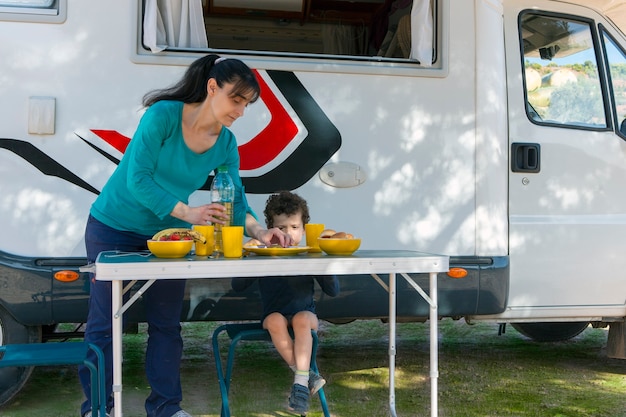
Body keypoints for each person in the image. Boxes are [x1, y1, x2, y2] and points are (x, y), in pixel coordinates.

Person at [78, 54, 293, 417]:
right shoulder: (163, 116)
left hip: (167, 237)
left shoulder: (225, 143)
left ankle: (165, 408)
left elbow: (235, 198)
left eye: (247, 104)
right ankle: (98, 408)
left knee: (166, 324)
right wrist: (189, 213)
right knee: (105, 325)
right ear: (212, 87)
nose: (240, 111)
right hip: (112, 227)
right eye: (236, 99)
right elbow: (138, 179)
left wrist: (260, 231)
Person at [232, 191, 340, 415]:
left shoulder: (309, 254)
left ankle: (299, 386)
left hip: (305, 314)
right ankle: (307, 377)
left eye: (294, 227)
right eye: (281, 228)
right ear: (270, 229)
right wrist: (249, 255)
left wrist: (324, 262)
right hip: (275, 315)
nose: (288, 233)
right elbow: (238, 285)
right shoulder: (263, 253)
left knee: (301, 318)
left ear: (303, 228)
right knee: (274, 320)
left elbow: (333, 290)